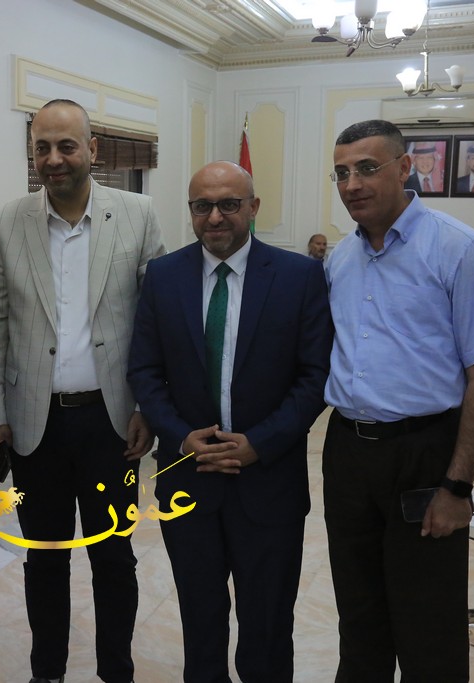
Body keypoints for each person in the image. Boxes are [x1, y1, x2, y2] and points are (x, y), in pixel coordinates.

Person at [324, 119, 474, 681]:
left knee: (427, 619)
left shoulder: (458, 248)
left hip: (424, 452)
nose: (352, 184)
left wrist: (457, 487)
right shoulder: (340, 258)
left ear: (406, 168)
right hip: (348, 453)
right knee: (358, 612)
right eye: (341, 173)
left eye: (367, 168)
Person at [128, 161, 332, 681]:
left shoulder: (299, 277)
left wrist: (260, 443)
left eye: (229, 205)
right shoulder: (163, 276)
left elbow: (315, 376)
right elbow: (144, 371)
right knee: (200, 621)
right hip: (188, 481)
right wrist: (180, 436)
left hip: (268, 481)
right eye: (202, 206)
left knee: (267, 625)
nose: (215, 217)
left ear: (253, 207)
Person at [0, 98, 165, 683]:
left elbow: (155, 321)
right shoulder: (7, 221)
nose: (54, 158)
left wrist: (148, 406)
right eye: (42, 147)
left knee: (114, 557)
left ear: (92, 149)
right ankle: (48, 672)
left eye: (66, 146)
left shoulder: (137, 214)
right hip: (35, 426)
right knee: (44, 558)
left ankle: (117, 671)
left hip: (111, 425)